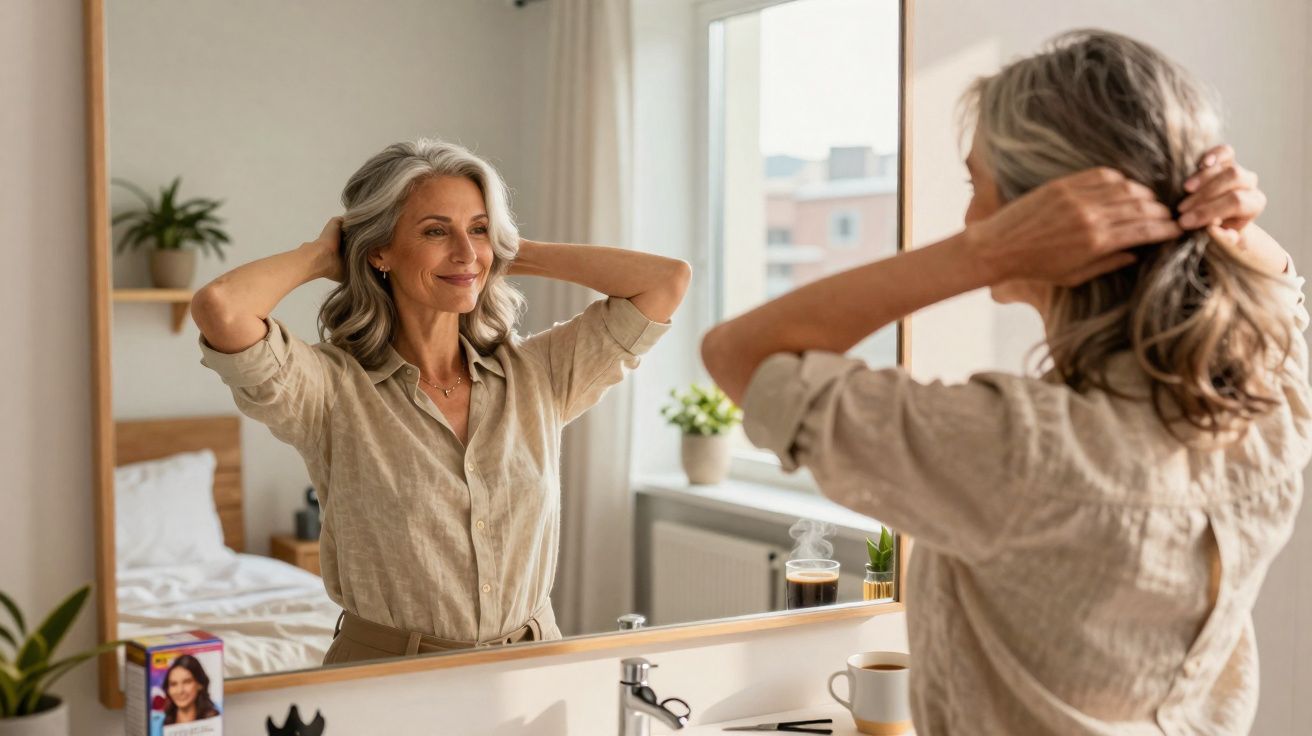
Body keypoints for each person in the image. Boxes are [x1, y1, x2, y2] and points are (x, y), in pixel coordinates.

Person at [702, 30, 1308, 735]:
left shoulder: (1018, 448)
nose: (967, 218)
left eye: (978, 190)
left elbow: (736, 353)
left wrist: (984, 252)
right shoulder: (1263, 399)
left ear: (1045, 218)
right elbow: (1284, 292)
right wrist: (1222, 227)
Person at [192, 139, 690, 665]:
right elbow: (222, 307)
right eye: (435, 231)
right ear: (379, 251)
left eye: (477, 227)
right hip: (388, 679)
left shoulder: (538, 374)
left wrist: (501, 251)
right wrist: (322, 255)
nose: (464, 251)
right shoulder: (331, 391)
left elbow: (665, 281)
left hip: (533, 665)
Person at [163, 655, 220, 725]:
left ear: (200, 684)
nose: (180, 691)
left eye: (187, 682)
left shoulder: (213, 719)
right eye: (173, 684)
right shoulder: (160, 722)